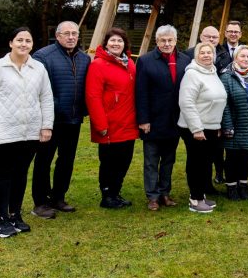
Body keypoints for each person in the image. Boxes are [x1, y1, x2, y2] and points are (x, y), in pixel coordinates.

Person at [0, 27, 54, 238]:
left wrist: (47, 126)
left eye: (28, 40)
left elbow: (46, 98)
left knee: (20, 174)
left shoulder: (38, 69)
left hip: (30, 132)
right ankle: (2, 218)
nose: (24, 44)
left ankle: (15, 214)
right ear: (11, 43)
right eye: (19, 40)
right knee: (4, 173)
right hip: (4, 132)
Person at [30, 21, 90, 219]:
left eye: (74, 33)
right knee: (43, 160)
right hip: (51, 120)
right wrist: (53, 110)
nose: (71, 37)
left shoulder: (84, 59)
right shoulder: (43, 57)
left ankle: (58, 197)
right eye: (67, 34)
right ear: (58, 36)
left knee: (66, 161)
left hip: (73, 119)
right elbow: (38, 90)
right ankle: (40, 202)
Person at [135, 25, 191, 211]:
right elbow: (140, 92)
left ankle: (165, 193)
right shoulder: (145, 61)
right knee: (151, 160)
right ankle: (152, 196)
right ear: (157, 41)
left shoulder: (185, 60)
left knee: (169, 159)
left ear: (176, 41)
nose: (166, 44)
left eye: (170, 40)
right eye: (162, 40)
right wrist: (143, 120)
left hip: (175, 120)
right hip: (153, 119)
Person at [86, 27, 138, 209]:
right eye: (112, 41)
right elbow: (93, 97)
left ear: (125, 44)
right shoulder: (98, 65)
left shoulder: (130, 63)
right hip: (109, 124)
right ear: (106, 43)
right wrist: (100, 124)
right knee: (109, 162)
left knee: (124, 160)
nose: (116, 44)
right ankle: (107, 195)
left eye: (120, 41)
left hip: (128, 123)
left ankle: (116, 192)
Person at [178, 42, 228, 213]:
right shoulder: (192, 74)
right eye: (202, 53)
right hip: (196, 128)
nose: (206, 55)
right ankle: (195, 199)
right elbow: (186, 102)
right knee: (196, 163)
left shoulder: (211, 72)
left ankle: (201, 195)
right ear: (196, 55)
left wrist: (217, 125)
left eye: (209, 52)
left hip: (211, 127)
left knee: (205, 163)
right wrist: (196, 128)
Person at [220, 45, 248, 201]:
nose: (246, 59)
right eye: (242, 56)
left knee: (246, 155)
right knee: (233, 156)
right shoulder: (227, 76)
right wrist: (227, 125)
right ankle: (231, 188)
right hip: (235, 122)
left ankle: (242, 186)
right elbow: (224, 103)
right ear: (235, 57)